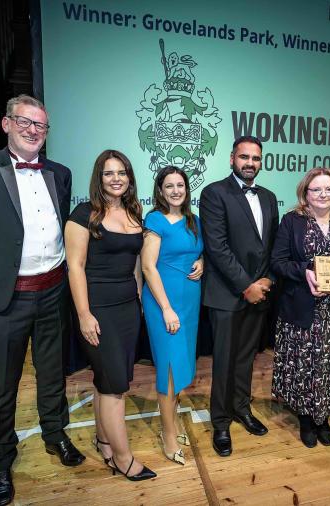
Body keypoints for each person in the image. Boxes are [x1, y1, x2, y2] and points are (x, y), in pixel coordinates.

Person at [0, 94, 85, 506]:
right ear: (6, 124)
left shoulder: (60, 173)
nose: (32, 131)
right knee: (3, 382)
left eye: (40, 126)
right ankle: (0, 459)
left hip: (52, 291)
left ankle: (54, 433)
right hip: (6, 298)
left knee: (51, 372)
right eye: (25, 123)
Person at [64, 150, 155, 481]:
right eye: (108, 173)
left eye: (122, 172)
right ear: (98, 178)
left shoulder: (134, 213)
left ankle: (104, 441)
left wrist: (141, 301)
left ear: (129, 178)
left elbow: (136, 266)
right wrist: (84, 314)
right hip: (98, 309)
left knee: (109, 382)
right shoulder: (83, 213)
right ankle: (123, 459)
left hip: (128, 308)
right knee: (115, 386)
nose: (116, 178)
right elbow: (74, 266)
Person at [271, 168, 330, 448]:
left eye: (329, 189)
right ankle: (305, 417)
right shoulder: (292, 221)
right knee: (304, 366)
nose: (323, 194)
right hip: (303, 309)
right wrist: (305, 272)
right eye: (316, 189)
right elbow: (277, 261)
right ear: (305, 193)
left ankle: (323, 417)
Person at [199, 135, 279, 457]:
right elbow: (217, 248)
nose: (250, 163)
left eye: (256, 158)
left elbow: (272, 247)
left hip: (260, 294)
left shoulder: (270, 197)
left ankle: (241, 409)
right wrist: (246, 286)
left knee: (247, 358)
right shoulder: (214, 193)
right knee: (224, 362)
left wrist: (267, 281)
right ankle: (220, 421)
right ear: (232, 158)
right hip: (228, 295)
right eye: (244, 157)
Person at [140, 166, 204, 465]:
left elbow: (197, 252)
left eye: (180, 185)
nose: (176, 190)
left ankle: (173, 422)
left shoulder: (194, 221)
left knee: (181, 368)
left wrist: (201, 261)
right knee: (168, 369)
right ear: (160, 191)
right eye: (169, 186)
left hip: (190, 303)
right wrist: (166, 308)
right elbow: (148, 267)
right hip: (164, 304)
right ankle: (167, 434)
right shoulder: (154, 220)